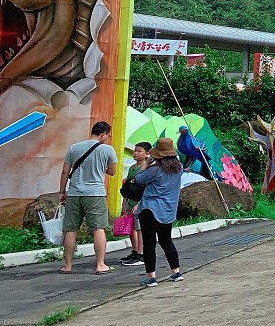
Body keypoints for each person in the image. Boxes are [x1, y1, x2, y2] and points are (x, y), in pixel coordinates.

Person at [58, 121, 118, 275]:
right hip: (95, 194)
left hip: (74, 193)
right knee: (98, 228)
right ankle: (100, 265)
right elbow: (112, 172)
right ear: (103, 133)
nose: (107, 138)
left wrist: (62, 191)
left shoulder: (74, 148)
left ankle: (68, 265)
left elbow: (65, 172)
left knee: (70, 229)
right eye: (108, 135)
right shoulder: (108, 149)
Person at [130, 137, 184, 286]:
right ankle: (176, 272)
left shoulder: (155, 169)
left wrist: (146, 164)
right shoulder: (179, 168)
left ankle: (151, 277)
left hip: (150, 209)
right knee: (166, 241)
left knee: (149, 243)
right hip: (168, 210)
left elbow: (138, 178)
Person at [118, 141, 153, 267]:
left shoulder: (147, 169)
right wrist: (124, 204)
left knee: (139, 229)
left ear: (147, 154)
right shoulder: (132, 167)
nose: (135, 153)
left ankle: (141, 254)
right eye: (135, 150)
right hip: (129, 201)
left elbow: (146, 188)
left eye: (139, 151)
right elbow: (128, 187)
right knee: (131, 228)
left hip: (139, 203)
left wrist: (138, 204)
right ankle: (134, 250)